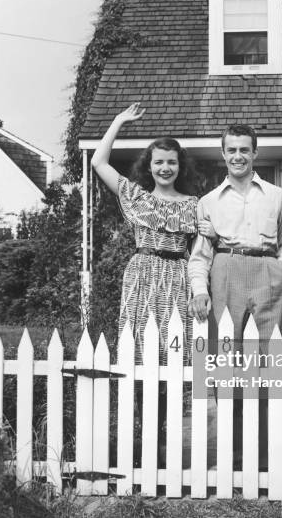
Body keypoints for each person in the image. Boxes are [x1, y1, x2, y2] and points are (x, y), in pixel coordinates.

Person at [188, 123, 282, 466]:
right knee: (227, 363)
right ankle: (232, 454)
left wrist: (280, 270)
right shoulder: (208, 202)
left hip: (266, 273)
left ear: (255, 153)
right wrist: (200, 290)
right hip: (226, 272)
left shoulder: (278, 196)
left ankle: (263, 455)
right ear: (223, 154)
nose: (238, 156)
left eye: (244, 149)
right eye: (231, 150)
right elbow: (200, 256)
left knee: (266, 362)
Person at [91, 103, 215, 365]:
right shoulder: (137, 198)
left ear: (180, 166)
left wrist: (211, 233)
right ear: (149, 167)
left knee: (177, 342)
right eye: (158, 162)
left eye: (171, 162)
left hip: (178, 277)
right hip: (141, 273)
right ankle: (139, 404)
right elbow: (98, 162)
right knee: (138, 343)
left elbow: (200, 254)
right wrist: (118, 121)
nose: (165, 168)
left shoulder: (194, 204)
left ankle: (177, 402)